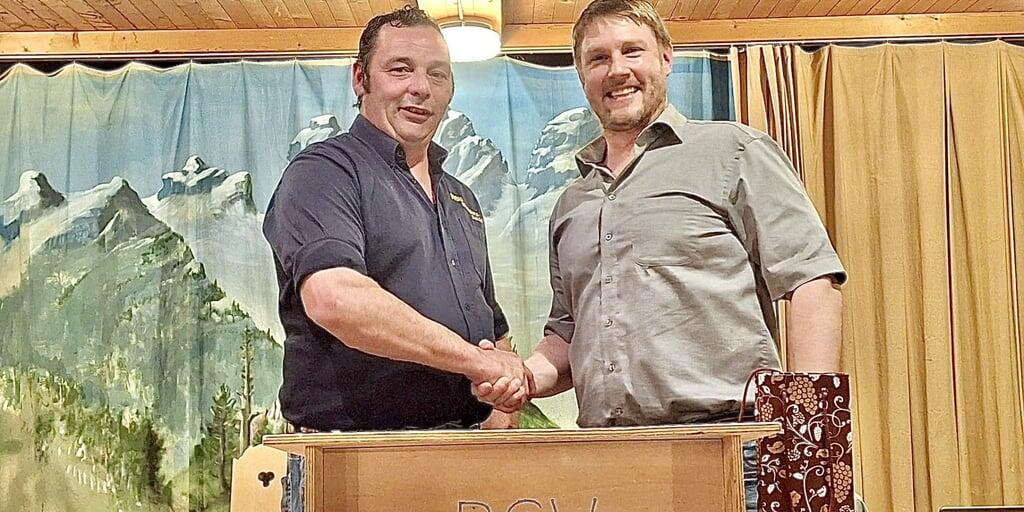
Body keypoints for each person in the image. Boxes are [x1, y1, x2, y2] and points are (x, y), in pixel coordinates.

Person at [474, 0, 847, 509]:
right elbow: (566, 337)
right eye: (598, 58)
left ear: (666, 58)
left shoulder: (734, 151)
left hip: (732, 453)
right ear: (582, 74)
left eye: (632, 51)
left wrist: (808, 441)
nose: (617, 70)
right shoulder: (570, 205)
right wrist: (519, 377)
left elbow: (812, 281)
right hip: (607, 464)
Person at [263, 5, 529, 433]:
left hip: (464, 446)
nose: (420, 87)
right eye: (400, 69)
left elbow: (490, 324)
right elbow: (335, 299)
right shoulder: (324, 172)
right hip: (354, 450)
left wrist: (502, 408)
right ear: (360, 78)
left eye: (437, 74)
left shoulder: (462, 199)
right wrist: (478, 363)